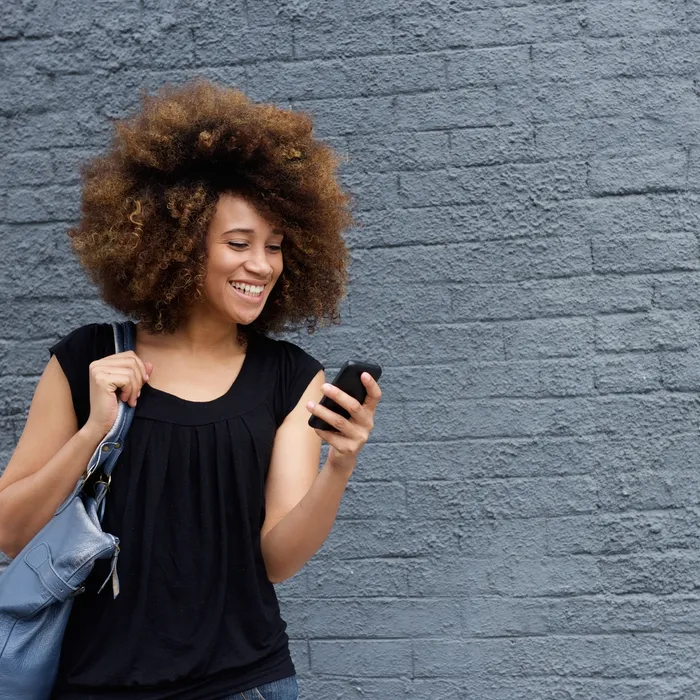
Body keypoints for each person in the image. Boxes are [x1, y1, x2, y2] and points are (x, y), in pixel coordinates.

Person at [0, 80, 382, 700]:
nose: (261, 265)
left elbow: (278, 560)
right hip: (97, 687)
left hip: (247, 684)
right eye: (238, 244)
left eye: (275, 246)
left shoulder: (290, 378)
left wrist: (339, 463)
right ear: (177, 243)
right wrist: (95, 430)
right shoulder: (86, 360)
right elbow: (10, 534)